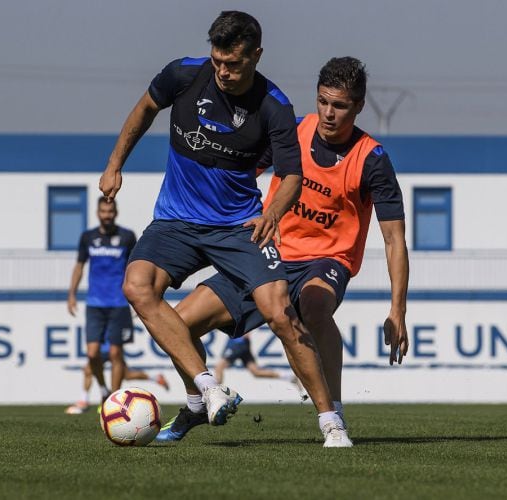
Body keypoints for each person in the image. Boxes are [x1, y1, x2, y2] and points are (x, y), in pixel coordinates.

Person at [99, 11, 346, 443]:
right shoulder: (183, 75)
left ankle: (331, 423)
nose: (224, 72)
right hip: (177, 221)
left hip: (237, 227)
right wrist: (115, 163)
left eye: (233, 63)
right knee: (137, 287)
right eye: (218, 61)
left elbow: (292, 177)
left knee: (281, 314)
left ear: (256, 56)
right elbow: (143, 110)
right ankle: (208, 391)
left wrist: (272, 215)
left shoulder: (274, 106)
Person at [156, 57, 409, 447]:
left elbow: (394, 239)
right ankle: (195, 402)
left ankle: (333, 417)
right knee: (179, 323)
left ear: (358, 106)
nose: (328, 113)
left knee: (314, 307)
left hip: (326, 262)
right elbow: (239, 168)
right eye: (323, 101)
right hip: (267, 254)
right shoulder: (294, 131)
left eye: (339, 106)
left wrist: (397, 309)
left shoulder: (371, 159)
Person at [68, 197, 136, 406]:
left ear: (115, 212)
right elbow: (79, 266)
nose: (107, 215)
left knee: (116, 353)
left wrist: (135, 298)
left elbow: (134, 268)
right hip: (95, 303)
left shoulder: (127, 237)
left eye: (110, 211)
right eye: (103, 211)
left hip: (119, 303)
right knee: (92, 353)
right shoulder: (88, 237)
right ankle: (104, 389)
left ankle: (114, 401)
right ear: (98, 213)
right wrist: (71, 294)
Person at [65, 341, 170, 415]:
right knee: (88, 369)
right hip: (101, 347)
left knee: (126, 375)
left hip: (112, 346)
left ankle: (155, 378)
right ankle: (85, 400)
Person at [214, 334, 300, 388]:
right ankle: (288, 376)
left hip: (238, 345)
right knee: (256, 372)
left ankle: (217, 392)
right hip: (241, 345)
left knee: (219, 367)